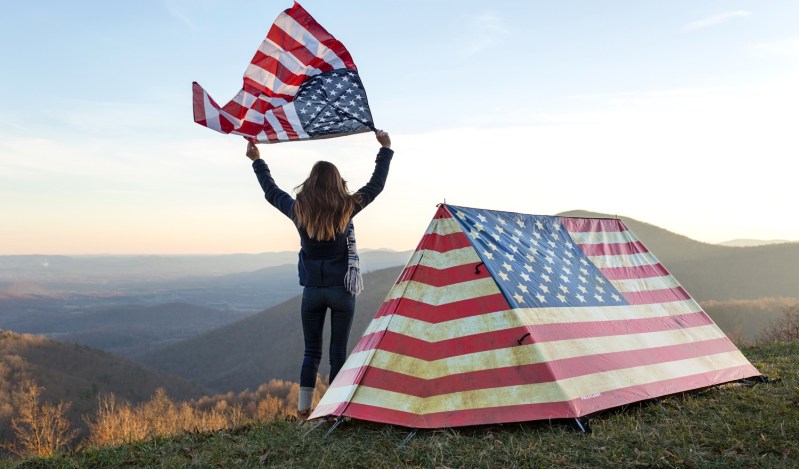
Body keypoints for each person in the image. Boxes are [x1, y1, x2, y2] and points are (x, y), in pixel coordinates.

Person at [245, 130, 393, 418]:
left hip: (312, 291)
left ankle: (303, 410)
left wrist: (257, 161)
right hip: (342, 291)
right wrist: (385, 149)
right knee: (338, 352)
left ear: (310, 184)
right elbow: (376, 186)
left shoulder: (299, 210)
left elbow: (271, 192)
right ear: (338, 184)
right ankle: (335, 410)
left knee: (310, 352)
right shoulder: (346, 208)